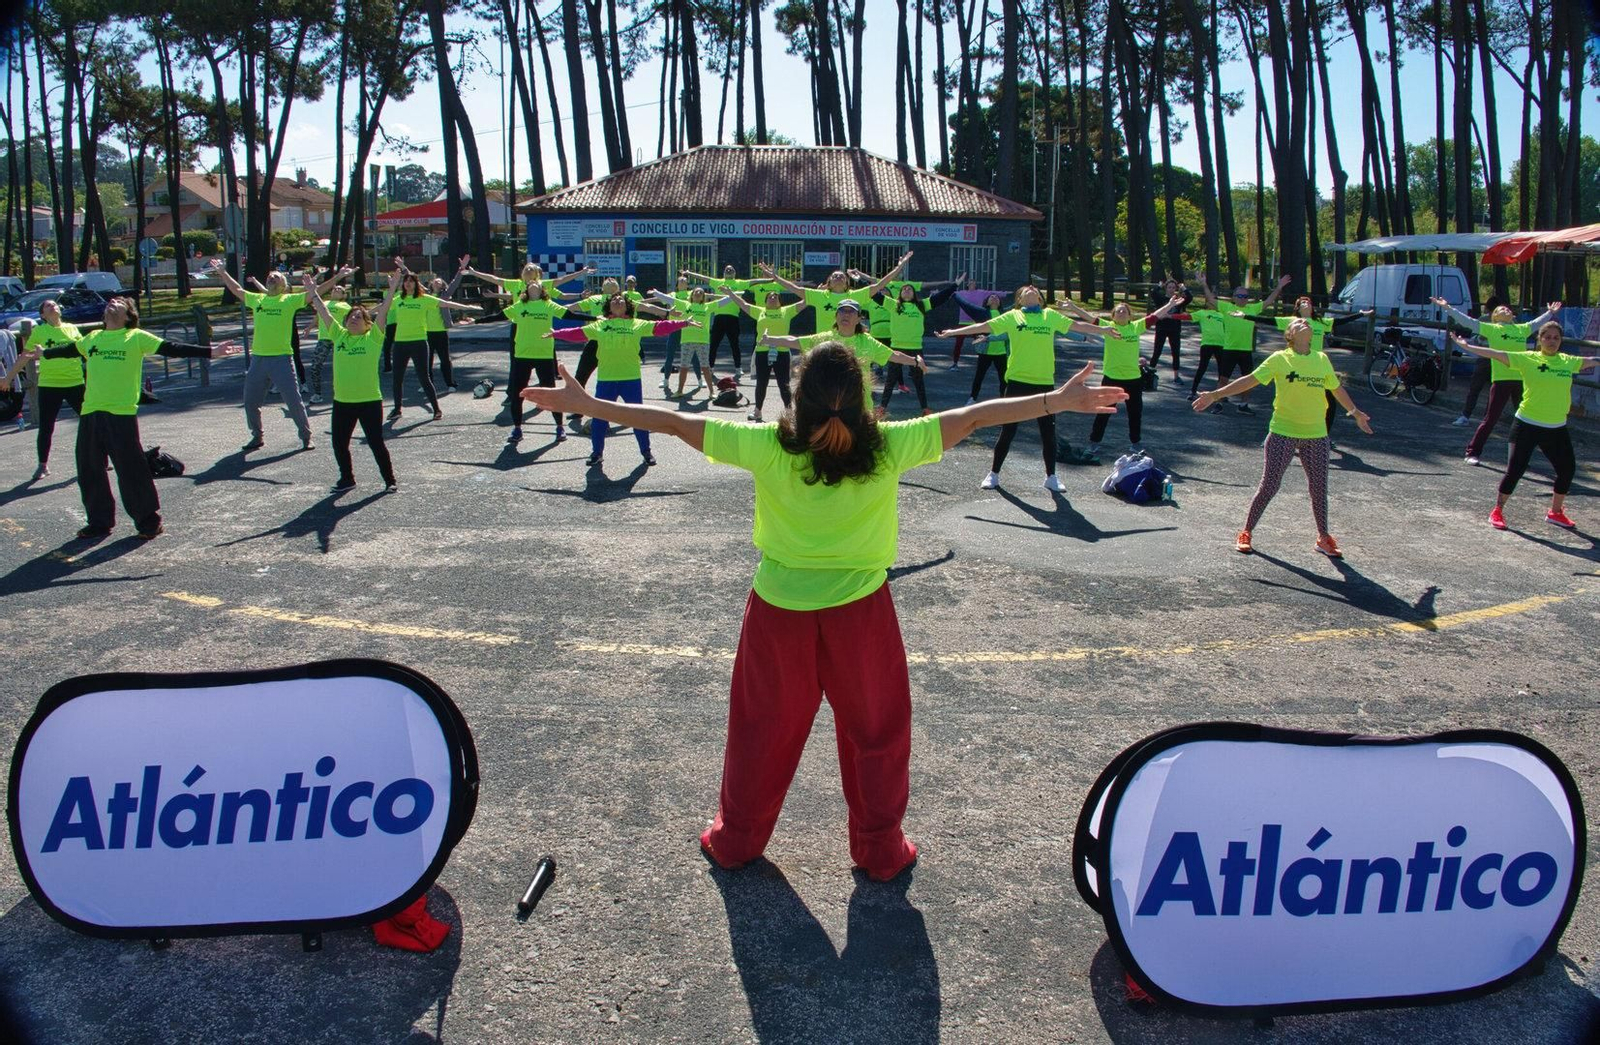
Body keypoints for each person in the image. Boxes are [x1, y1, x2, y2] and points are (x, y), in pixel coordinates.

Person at [517, 343, 1128, 881]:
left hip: (778, 612)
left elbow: (672, 420)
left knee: (761, 731)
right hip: (861, 614)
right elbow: (975, 415)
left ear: (796, 394)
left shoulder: (765, 445)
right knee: (877, 734)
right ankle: (880, 850)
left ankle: (736, 841)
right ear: (861, 398)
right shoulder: (890, 445)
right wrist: (1058, 399)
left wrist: (588, 404)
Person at [33, 297, 238, 540]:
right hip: (91, 411)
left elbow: (171, 348)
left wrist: (210, 351)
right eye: (110, 301)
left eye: (119, 302)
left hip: (120, 413)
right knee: (89, 469)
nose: (112, 303)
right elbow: (67, 351)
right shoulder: (92, 338)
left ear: (129, 315)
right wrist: (44, 354)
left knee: (131, 469)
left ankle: (149, 521)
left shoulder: (136, 337)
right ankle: (99, 522)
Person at [1193, 318, 1373, 557]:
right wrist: (1216, 395)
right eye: (1297, 323)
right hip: (1283, 432)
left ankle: (1323, 538)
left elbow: (1336, 388)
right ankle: (1246, 531)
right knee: (1269, 485)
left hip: (1317, 434)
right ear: (1290, 335)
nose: (1303, 323)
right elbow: (1250, 379)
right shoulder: (1279, 359)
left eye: (1306, 323)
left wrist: (1356, 413)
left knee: (1319, 487)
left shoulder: (1321, 359)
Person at [1450, 324, 1598, 530]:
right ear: (1540, 339)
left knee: (1567, 470)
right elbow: (1495, 353)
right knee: (1515, 470)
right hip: (1527, 424)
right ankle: (1498, 510)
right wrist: (1466, 345)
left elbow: (1593, 361)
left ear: (1560, 340)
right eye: (1547, 337)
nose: (1552, 341)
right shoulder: (1528, 358)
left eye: (1556, 337)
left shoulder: (1568, 362)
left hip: (1556, 427)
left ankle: (1555, 512)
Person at [935, 286, 1078, 492]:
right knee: (1008, 429)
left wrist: (1105, 330)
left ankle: (1051, 476)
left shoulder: (1050, 315)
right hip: (1018, 381)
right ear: (1019, 299)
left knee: (1048, 431)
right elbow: (983, 326)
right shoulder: (1013, 316)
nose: (1030, 290)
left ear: (1039, 297)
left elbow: (1078, 327)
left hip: (1045, 382)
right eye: (1026, 290)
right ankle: (993, 474)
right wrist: (953, 332)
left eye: (1034, 290)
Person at [547, 293, 696, 468]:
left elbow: (660, 327)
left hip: (631, 379)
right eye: (614, 300)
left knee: (639, 418)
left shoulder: (636, 324)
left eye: (622, 300)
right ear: (608, 307)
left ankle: (646, 452)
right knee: (600, 418)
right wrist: (556, 334)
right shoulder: (601, 325)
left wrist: (683, 323)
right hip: (606, 380)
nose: (618, 301)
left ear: (627, 306)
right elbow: (578, 334)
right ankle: (597, 453)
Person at [208, 261, 343, 451]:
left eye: (277, 277)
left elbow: (316, 291)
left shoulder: (289, 301)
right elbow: (236, 288)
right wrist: (222, 272)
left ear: (284, 286)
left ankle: (306, 436)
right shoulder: (258, 300)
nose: (272, 277)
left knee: (294, 401)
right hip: (259, 359)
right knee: (250, 402)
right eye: (270, 276)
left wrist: (337, 277)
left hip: (282, 359)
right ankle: (257, 436)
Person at [1056, 293, 1187, 457]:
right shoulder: (1108, 327)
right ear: (1113, 316)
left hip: (1134, 379)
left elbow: (1156, 316)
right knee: (1104, 412)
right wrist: (1073, 307)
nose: (1121, 313)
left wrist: (1169, 304)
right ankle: (1094, 443)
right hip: (1112, 378)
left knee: (1135, 413)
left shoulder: (1136, 327)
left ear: (1130, 315)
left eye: (1124, 311)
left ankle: (1136, 444)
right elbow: (1090, 318)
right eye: (1118, 311)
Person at [1433, 297, 1560, 465]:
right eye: (1500, 310)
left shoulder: (1521, 329)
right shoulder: (1491, 329)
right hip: (1501, 380)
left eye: (1507, 309)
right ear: (1494, 317)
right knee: (1491, 418)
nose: (1505, 310)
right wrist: (1448, 308)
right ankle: (1472, 452)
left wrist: (1550, 313)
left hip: (1521, 380)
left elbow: (1538, 322)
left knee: (1530, 418)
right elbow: (1468, 322)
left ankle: (1526, 454)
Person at [304, 272, 399, 492]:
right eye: (350, 318)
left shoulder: (373, 338)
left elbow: (384, 311)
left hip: (369, 401)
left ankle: (390, 480)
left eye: (358, 317)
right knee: (339, 443)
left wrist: (393, 288)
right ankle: (347, 479)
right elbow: (325, 312)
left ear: (368, 324)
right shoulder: (339, 336)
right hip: (342, 401)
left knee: (376, 443)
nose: (353, 320)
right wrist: (313, 292)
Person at [757, 300, 927, 408]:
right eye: (842, 311)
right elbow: (795, 340)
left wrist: (916, 361)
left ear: (859, 318)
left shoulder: (867, 341)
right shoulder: (826, 338)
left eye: (851, 311)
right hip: (830, 403)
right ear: (836, 316)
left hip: (860, 405)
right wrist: (770, 339)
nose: (846, 314)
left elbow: (894, 355)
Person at [385, 263, 483, 422]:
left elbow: (447, 304)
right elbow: (381, 308)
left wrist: (468, 307)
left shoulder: (424, 299)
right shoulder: (398, 300)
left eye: (411, 281)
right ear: (403, 284)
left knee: (424, 377)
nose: (408, 283)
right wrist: (361, 313)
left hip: (418, 342)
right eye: (406, 281)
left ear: (416, 284)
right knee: (397, 378)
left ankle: (436, 409)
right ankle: (397, 409)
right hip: (400, 343)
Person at [1, 301, 84, 479]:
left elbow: (84, 352)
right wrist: (8, 378)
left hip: (75, 383)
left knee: (90, 423)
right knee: (46, 427)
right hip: (50, 385)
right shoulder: (40, 331)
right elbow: (25, 356)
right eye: (47, 306)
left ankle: (99, 459)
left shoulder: (72, 329)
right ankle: (42, 465)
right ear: (42, 315)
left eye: (54, 304)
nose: (52, 306)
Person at [878, 275, 964, 416]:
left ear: (914, 294)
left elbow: (940, 298)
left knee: (918, 381)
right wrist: (861, 280)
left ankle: (925, 408)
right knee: (890, 380)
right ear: (899, 293)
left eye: (910, 289)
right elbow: (874, 294)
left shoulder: (921, 305)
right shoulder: (893, 304)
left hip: (915, 348)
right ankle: (882, 408)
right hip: (896, 348)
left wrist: (955, 285)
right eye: (904, 288)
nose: (906, 289)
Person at [1206, 272, 1291, 414]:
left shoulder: (1252, 309)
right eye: (1240, 296)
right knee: (1223, 378)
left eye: (1245, 296)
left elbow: (1269, 301)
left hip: (1245, 350)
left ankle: (1243, 405)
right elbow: (1210, 299)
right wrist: (1203, 283)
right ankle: (1219, 403)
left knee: (1249, 379)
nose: (1243, 299)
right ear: (1234, 297)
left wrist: (1279, 287)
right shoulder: (1227, 307)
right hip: (1229, 349)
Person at [502, 280, 574, 443]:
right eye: (530, 285)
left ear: (542, 290)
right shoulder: (520, 306)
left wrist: (593, 318)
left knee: (552, 393)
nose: (534, 285)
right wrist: (477, 321)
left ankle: (560, 427)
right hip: (522, 355)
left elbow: (569, 315)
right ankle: (517, 429)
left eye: (537, 285)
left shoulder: (548, 305)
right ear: (526, 290)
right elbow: (499, 315)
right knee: (517, 393)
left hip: (544, 355)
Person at [756, 254, 911, 328]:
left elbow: (881, 283)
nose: (838, 277)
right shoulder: (819, 295)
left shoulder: (855, 296)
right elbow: (794, 288)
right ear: (829, 282)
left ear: (847, 283)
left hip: (847, 345)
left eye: (841, 276)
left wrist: (900, 267)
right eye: (834, 276)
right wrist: (774, 277)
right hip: (823, 344)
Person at [731, 290, 810, 421]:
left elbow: (806, 301)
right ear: (765, 301)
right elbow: (742, 303)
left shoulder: (786, 311)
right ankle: (757, 411)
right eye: (770, 297)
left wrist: (819, 291)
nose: (773, 298)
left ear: (780, 301)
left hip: (782, 352)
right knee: (761, 383)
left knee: (783, 384)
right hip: (762, 351)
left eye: (776, 297)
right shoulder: (759, 311)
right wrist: (730, 293)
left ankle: (789, 412)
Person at [654, 286, 722, 399]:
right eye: (696, 292)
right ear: (692, 295)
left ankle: (711, 392)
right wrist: (656, 293)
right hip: (686, 341)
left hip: (703, 341)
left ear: (703, 297)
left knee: (705, 367)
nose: (698, 293)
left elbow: (723, 301)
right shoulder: (685, 305)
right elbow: (669, 299)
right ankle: (680, 391)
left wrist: (736, 295)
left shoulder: (707, 306)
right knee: (684, 366)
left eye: (701, 292)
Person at [303, 267, 357, 405]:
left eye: (340, 290)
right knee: (315, 366)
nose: (336, 290)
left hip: (339, 339)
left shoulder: (346, 306)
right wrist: (309, 327)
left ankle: (347, 392)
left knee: (344, 367)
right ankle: (317, 394)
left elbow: (352, 321)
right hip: (324, 339)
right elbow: (318, 317)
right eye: (334, 288)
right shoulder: (324, 303)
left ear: (344, 295)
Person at [1452, 298, 1500, 427]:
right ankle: (1475, 417)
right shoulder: (1489, 320)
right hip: (1492, 358)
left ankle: (1476, 416)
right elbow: (1474, 337)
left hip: (1492, 358)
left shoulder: (1493, 320)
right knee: (1483, 389)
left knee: (1485, 389)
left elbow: (1476, 337)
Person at [425, 260, 472, 391]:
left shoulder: (444, 296)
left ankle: (450, 384)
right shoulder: (425, 296)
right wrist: (403, 268)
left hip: (441, 332)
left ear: (442, 286)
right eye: (435, 280)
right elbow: (413, 281)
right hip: (427, 333)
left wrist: (461, 269)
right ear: (431, 284)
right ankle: (427, 384)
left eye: (440, 281)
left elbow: (454, 284)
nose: (437, 281)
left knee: (445, 359)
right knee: (426, 361)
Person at [1186, 273, 1231, 404]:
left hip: (1221, 344)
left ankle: (1222, 394)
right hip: (1207, 343)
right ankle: (1193, 391)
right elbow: (1187, 317)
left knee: (1222, 371)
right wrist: (1171, 316)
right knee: (1202, 367)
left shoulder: (1222, 314)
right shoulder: (1202, 313)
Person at [1146, 278, 1193, 380]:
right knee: (1157, 351)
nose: (1171, 289)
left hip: (1174, 328)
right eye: (1169, 287)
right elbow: (1153, 293)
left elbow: (1189, 297)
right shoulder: (1161, 299)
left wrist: (1183, 288)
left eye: (1173, 287)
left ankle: (1176, 376)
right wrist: (1159, 285)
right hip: (1161, 328)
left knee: (1175, 352)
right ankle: (1150, 372)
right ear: (1166, 288)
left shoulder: (1179, 301)